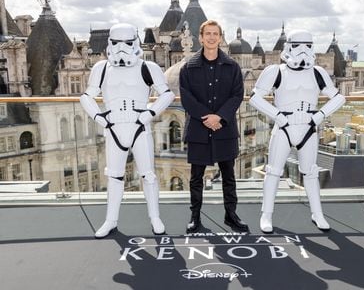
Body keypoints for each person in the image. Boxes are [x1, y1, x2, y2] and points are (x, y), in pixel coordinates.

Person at [80, 23, 174, 238]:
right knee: (114, 176)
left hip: (139, 126)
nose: (122, 48)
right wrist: (99, 118)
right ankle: (111, 220)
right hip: (114, 128)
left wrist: (149, 114)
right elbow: (86, 96)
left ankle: (155, 217)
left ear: (136, 42)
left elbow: (166, 94)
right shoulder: (101, 68)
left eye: (127, 42)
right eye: (117, 42)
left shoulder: (148, 67)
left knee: (148, 175)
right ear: (110, 43)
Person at [249, 29, 345, 233]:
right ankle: (266, 215)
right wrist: (278, 116)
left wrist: (319, 116)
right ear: (289, 47)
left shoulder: (318, 73)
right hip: (284, 126)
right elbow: (255, 97)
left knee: (310, 173)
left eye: (308, 46)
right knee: (273, 172)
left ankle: (317, 214)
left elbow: (338, 97)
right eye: (298, 45)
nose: (303, 50)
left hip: (308, 127)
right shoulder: (275, 71)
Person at [179, 20, 249, 233]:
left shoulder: (233, 67)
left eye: (215, 34)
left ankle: (231, 216)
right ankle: (195, 217)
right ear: (200, 38)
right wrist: (206, 117)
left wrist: (219, 117)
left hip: (224, 128)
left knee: (229, 176)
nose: (211, 37)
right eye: (207, 34)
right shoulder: (188, 67)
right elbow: (186, 98)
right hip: (199, 130)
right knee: (196, 178)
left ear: (220, 37)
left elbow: (237, 95)